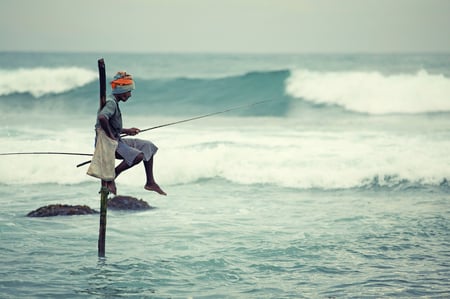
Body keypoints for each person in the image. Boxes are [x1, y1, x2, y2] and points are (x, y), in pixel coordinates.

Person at [95, 71, 166, 196]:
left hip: (117, 140)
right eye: (129, 91)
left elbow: (109, 124)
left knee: (148, 146)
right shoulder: (111, 102)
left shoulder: (113, 101)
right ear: (122, 91)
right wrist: (112, 138)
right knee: (137, 156)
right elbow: (102, 118)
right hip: (108, 144)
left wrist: (127, 131)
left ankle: (150, 182)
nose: (130, 95)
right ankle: (112, 176)